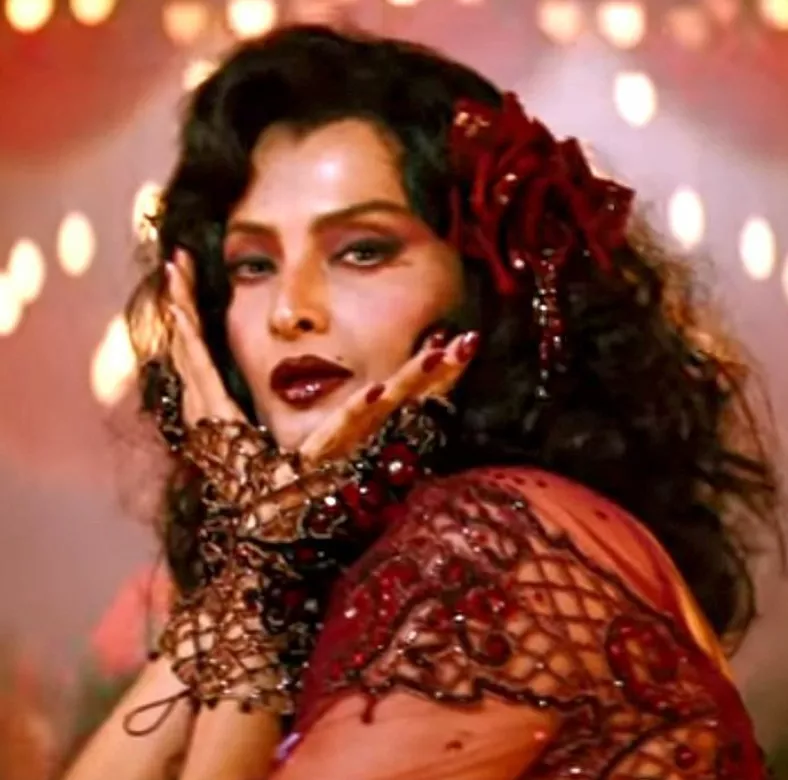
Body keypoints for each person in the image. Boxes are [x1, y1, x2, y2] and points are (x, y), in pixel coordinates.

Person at [63, 24, 783, 780]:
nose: (290, 310)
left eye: (362, 251)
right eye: (252, 265)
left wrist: (262, 566)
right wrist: (261, 558)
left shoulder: (490, 547)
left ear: (480, 291)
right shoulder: (365, 558)